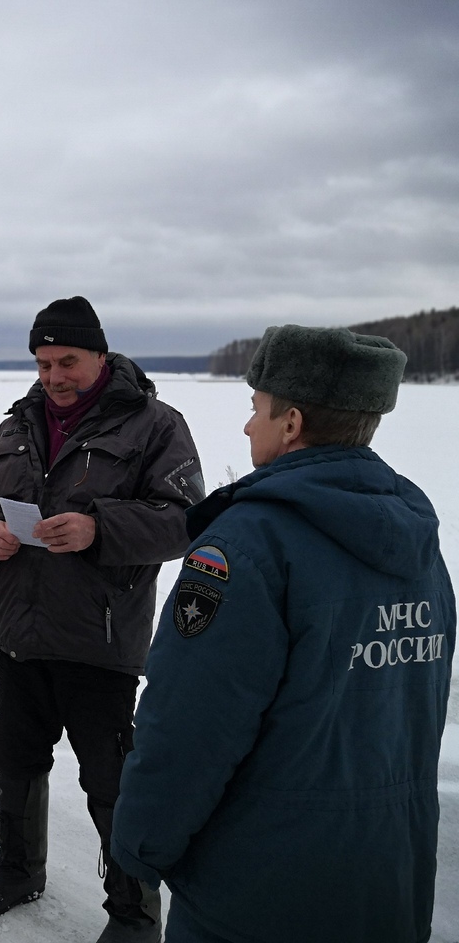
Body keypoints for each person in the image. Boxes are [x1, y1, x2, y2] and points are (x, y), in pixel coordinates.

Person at [111, 325, 456, 942]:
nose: (248, 426)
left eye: (256, 408)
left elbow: (189, 722)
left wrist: (140, 845)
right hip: (389, 881)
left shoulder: (243, 546)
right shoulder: (414, 538)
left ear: (291, 423)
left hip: (257, 896)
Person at [0, 296, 204, 942]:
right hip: (23, 630)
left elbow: (184, 520)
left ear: (100, 355)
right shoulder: (19, 423)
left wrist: (99, 528)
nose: (54, 377)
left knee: (112, 783)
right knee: (13, 756)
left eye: (67, 361)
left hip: (101, 638)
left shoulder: (154, 423)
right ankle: (16, 869)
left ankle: (133, 914)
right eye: (42, 364)